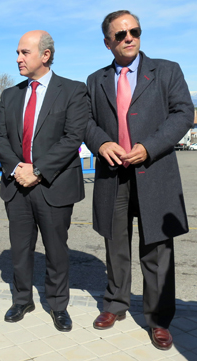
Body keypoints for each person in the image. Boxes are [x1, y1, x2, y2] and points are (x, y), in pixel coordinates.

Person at [84, 10, 194, 350]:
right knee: (115, 243)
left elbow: (183, 113)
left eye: (134, 30)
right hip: (113, 176)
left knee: (157, 249)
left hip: (155, 171)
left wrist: (149, 147)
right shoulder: (95, 80)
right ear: (107, 42)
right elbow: (85, 122)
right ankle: (115, 304)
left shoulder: (167, 70)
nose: (129, 37)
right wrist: (101, 143)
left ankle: (158, 319)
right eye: (120, 34)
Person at [0, 31, 88, 332]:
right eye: (17, 53)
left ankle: (58, 305)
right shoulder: (10, 94)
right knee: (20, 248)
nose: (18, 58)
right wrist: (18, 168)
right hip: (16, 184)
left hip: (53, 185)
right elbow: (0, 136)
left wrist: (38, 170)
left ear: (45, 55)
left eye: (24, 52)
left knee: (56, 249)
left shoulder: (73, 90)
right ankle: (22, 300)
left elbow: (73, 137)